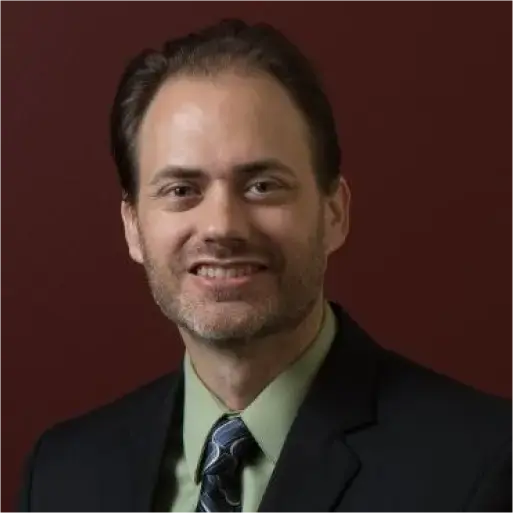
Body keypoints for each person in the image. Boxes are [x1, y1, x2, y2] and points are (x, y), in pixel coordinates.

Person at [18, 18, 513, 513]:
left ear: (334, 212)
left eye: (262, 185)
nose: (221, 226)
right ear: (132, 227)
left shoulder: (482, 466)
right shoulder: (62, 476)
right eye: (181, 190)